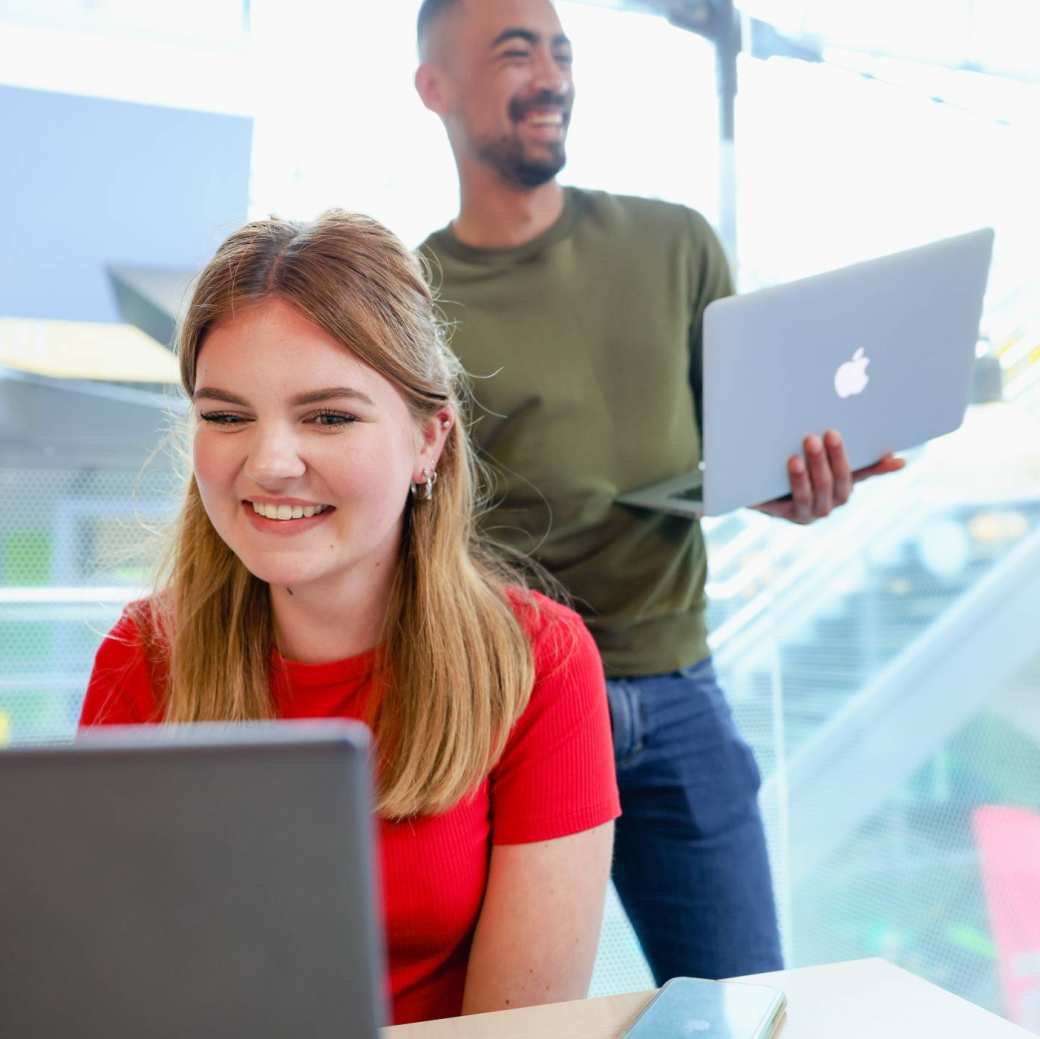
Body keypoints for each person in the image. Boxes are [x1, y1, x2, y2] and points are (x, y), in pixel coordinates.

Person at [414, 0, 905, 983]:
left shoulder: (673, 245)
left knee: (746, 1003)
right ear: (434, 87)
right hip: (504, 708)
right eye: (516, 52)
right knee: (504, 1015)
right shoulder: (411, 296)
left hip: (680, 693)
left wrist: (792, 482)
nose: (550, 76)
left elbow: (737, 448)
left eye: (561, 51)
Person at [78, 210, 620, 1026]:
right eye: (226, 415)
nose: (268, 462)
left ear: (429, 441)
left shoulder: (536, 662)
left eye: (329, 416)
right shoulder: (142, 653)